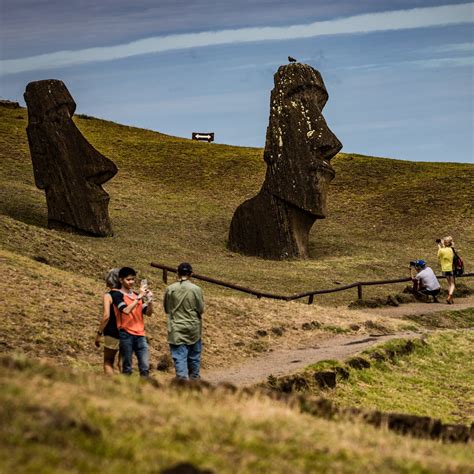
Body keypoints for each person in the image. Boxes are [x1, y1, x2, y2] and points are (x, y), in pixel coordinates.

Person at [164, 263, 204, 380]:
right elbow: (201, 309)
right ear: (191, 274)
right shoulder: (196, 289)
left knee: (179, 356)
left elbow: (167, 308)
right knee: (194, 356)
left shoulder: (170, 289)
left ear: (177, 273)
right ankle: (194, 381)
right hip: (193, 327)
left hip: (176, 327)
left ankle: (182, 382)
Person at [111, 267, 153, 377]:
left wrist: (150, 301)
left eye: (133, 279)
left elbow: (148, 313)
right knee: (127, 367)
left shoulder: (135, 295)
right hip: (125, 334)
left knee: (145, 368)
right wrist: (139, 297)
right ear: (121, 280)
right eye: (128, 280)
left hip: (140, 334)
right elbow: (126, 310)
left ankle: (145, 390)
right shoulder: (117, 295)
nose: (131, 282)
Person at [95, 269, 121, 375]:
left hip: (112, 332)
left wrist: (99, 333)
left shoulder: (108, 295)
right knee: (122, 363)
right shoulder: (128, 295)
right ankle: (126, 387)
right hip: (128, 332)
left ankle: (111, 386)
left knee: (108, 361)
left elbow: (106, 316)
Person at [437, 236, 455, 304]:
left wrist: (439, 246)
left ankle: (451, 299)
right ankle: (449, 296)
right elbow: (452, 246)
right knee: (453, 284)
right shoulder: (451, 249)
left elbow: (439, 256)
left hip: (444, 269)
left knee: (449, 284)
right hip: (450, 268)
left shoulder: (441, 250)